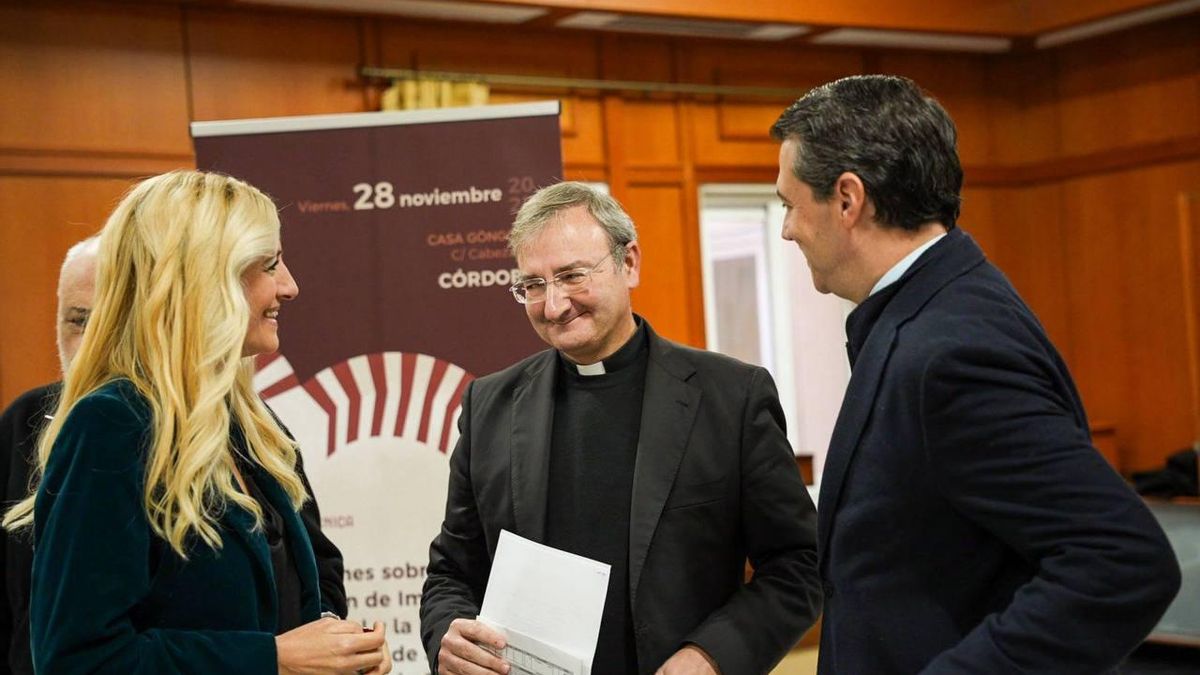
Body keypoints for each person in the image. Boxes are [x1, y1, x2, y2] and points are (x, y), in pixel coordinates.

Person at [770, 74, 1181, 674]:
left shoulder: (952, 353)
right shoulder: (931, 307)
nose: (786, 228)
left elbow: (1122, 560)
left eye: (790, 203)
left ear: (848, 199)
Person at [420, 181, 821, 675]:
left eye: (572, 276)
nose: (553, 305)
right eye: (533, 285)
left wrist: (712, 655)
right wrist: (448, 635)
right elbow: (451, 573)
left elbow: (798, 565)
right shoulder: (490, 405)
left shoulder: (732, 398)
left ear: (628, 263)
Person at [2, 170, 390, 674]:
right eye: (269, 264)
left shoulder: (251, 425)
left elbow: (306, 583)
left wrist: (338, 650)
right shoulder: (112, 424)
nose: (290, 286)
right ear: (204, 280)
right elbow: (79, 659)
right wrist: (274, 659)